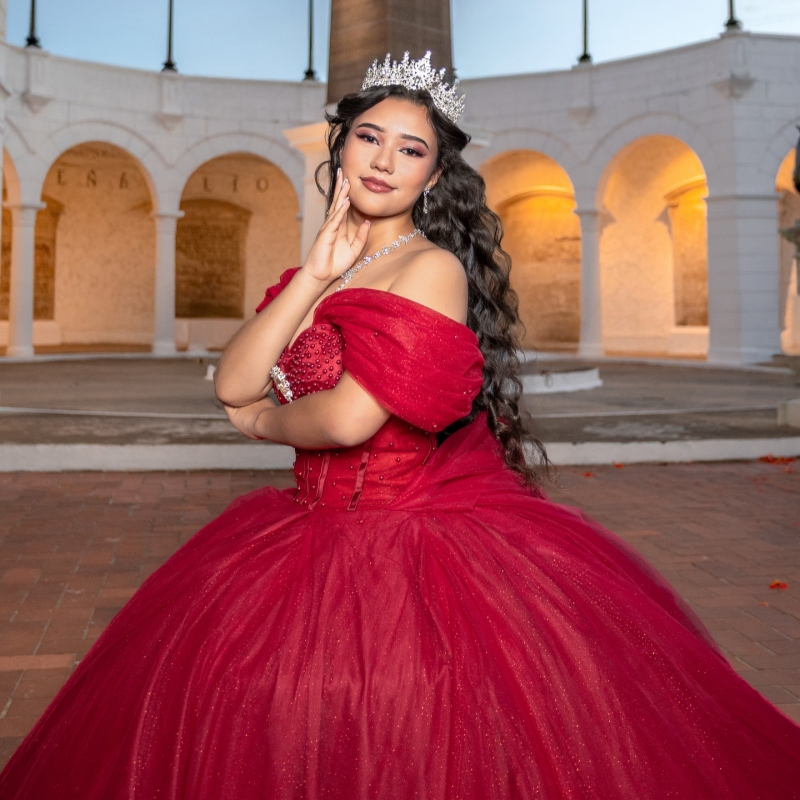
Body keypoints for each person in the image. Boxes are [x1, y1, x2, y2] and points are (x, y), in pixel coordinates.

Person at [1, 52, 799, 800]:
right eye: (369, 138)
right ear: (341, 144)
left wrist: (262, 426)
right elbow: (231, 379)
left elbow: (349, 417)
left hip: (407, 540)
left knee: (399, 719)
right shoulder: (327, 264)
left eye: (410, 150)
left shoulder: (432, 267)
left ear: (436, 172)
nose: (383, 161)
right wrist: (313, 275)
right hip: (306, 525)